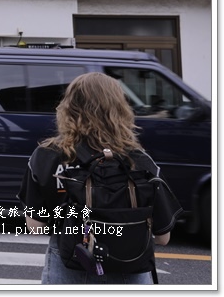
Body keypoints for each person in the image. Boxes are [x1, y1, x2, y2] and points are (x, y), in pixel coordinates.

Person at [18, 72, 182, 284]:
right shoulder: (139, 160)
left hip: (70, 265)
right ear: (121, 109)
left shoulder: (48, 155)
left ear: (68, 108)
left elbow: (35, 227)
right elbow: (163, 237)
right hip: (130, 269)